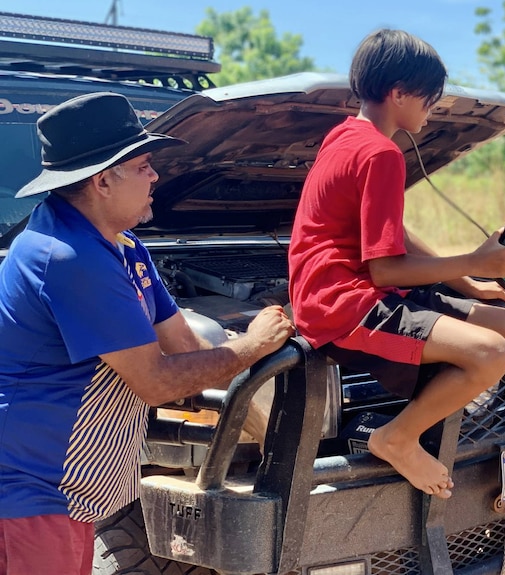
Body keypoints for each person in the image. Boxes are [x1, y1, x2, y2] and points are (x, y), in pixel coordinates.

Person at [0, 92, 295, 575]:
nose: (156, 175)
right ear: (102, 181)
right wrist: (252, 345)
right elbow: (157, 382)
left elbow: (184, 345)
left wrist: (269, 426)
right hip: (30, 493)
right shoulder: (66, 257)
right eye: (143, 165)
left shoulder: (123, 247)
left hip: (67, 498)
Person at [288, 29, 505, 500]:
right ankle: (396, 438)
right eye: (430, 95)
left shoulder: (346, 136)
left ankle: (420, 423)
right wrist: (477, 259)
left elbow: (392, 236)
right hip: (342, 303)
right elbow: (386, 271)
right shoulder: (380, 152)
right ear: (398, 93)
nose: (434, 106)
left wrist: (472, 284)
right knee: (490, 353)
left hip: (356, 291)